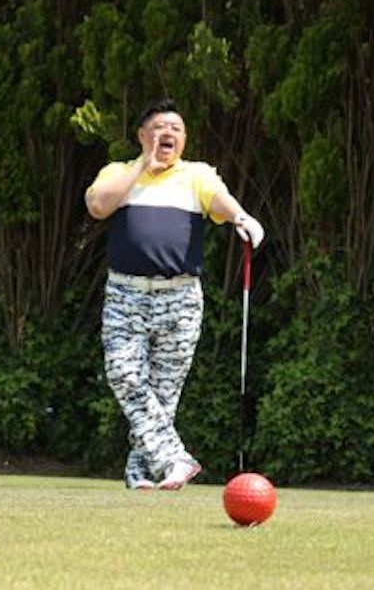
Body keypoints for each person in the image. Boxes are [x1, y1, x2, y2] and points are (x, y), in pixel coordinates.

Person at [85, 99, 265, 490]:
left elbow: (220, 200)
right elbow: (98, 206)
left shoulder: (196, 175)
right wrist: (141, 167)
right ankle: (175, 458)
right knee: (124, 374)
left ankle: (141, 472)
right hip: (125, 295)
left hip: (180, 298)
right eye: (159, 127)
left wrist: (241, 217)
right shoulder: (118, 172)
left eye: (176, 129)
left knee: (164, 392)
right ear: (142, 135)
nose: (168, 134)